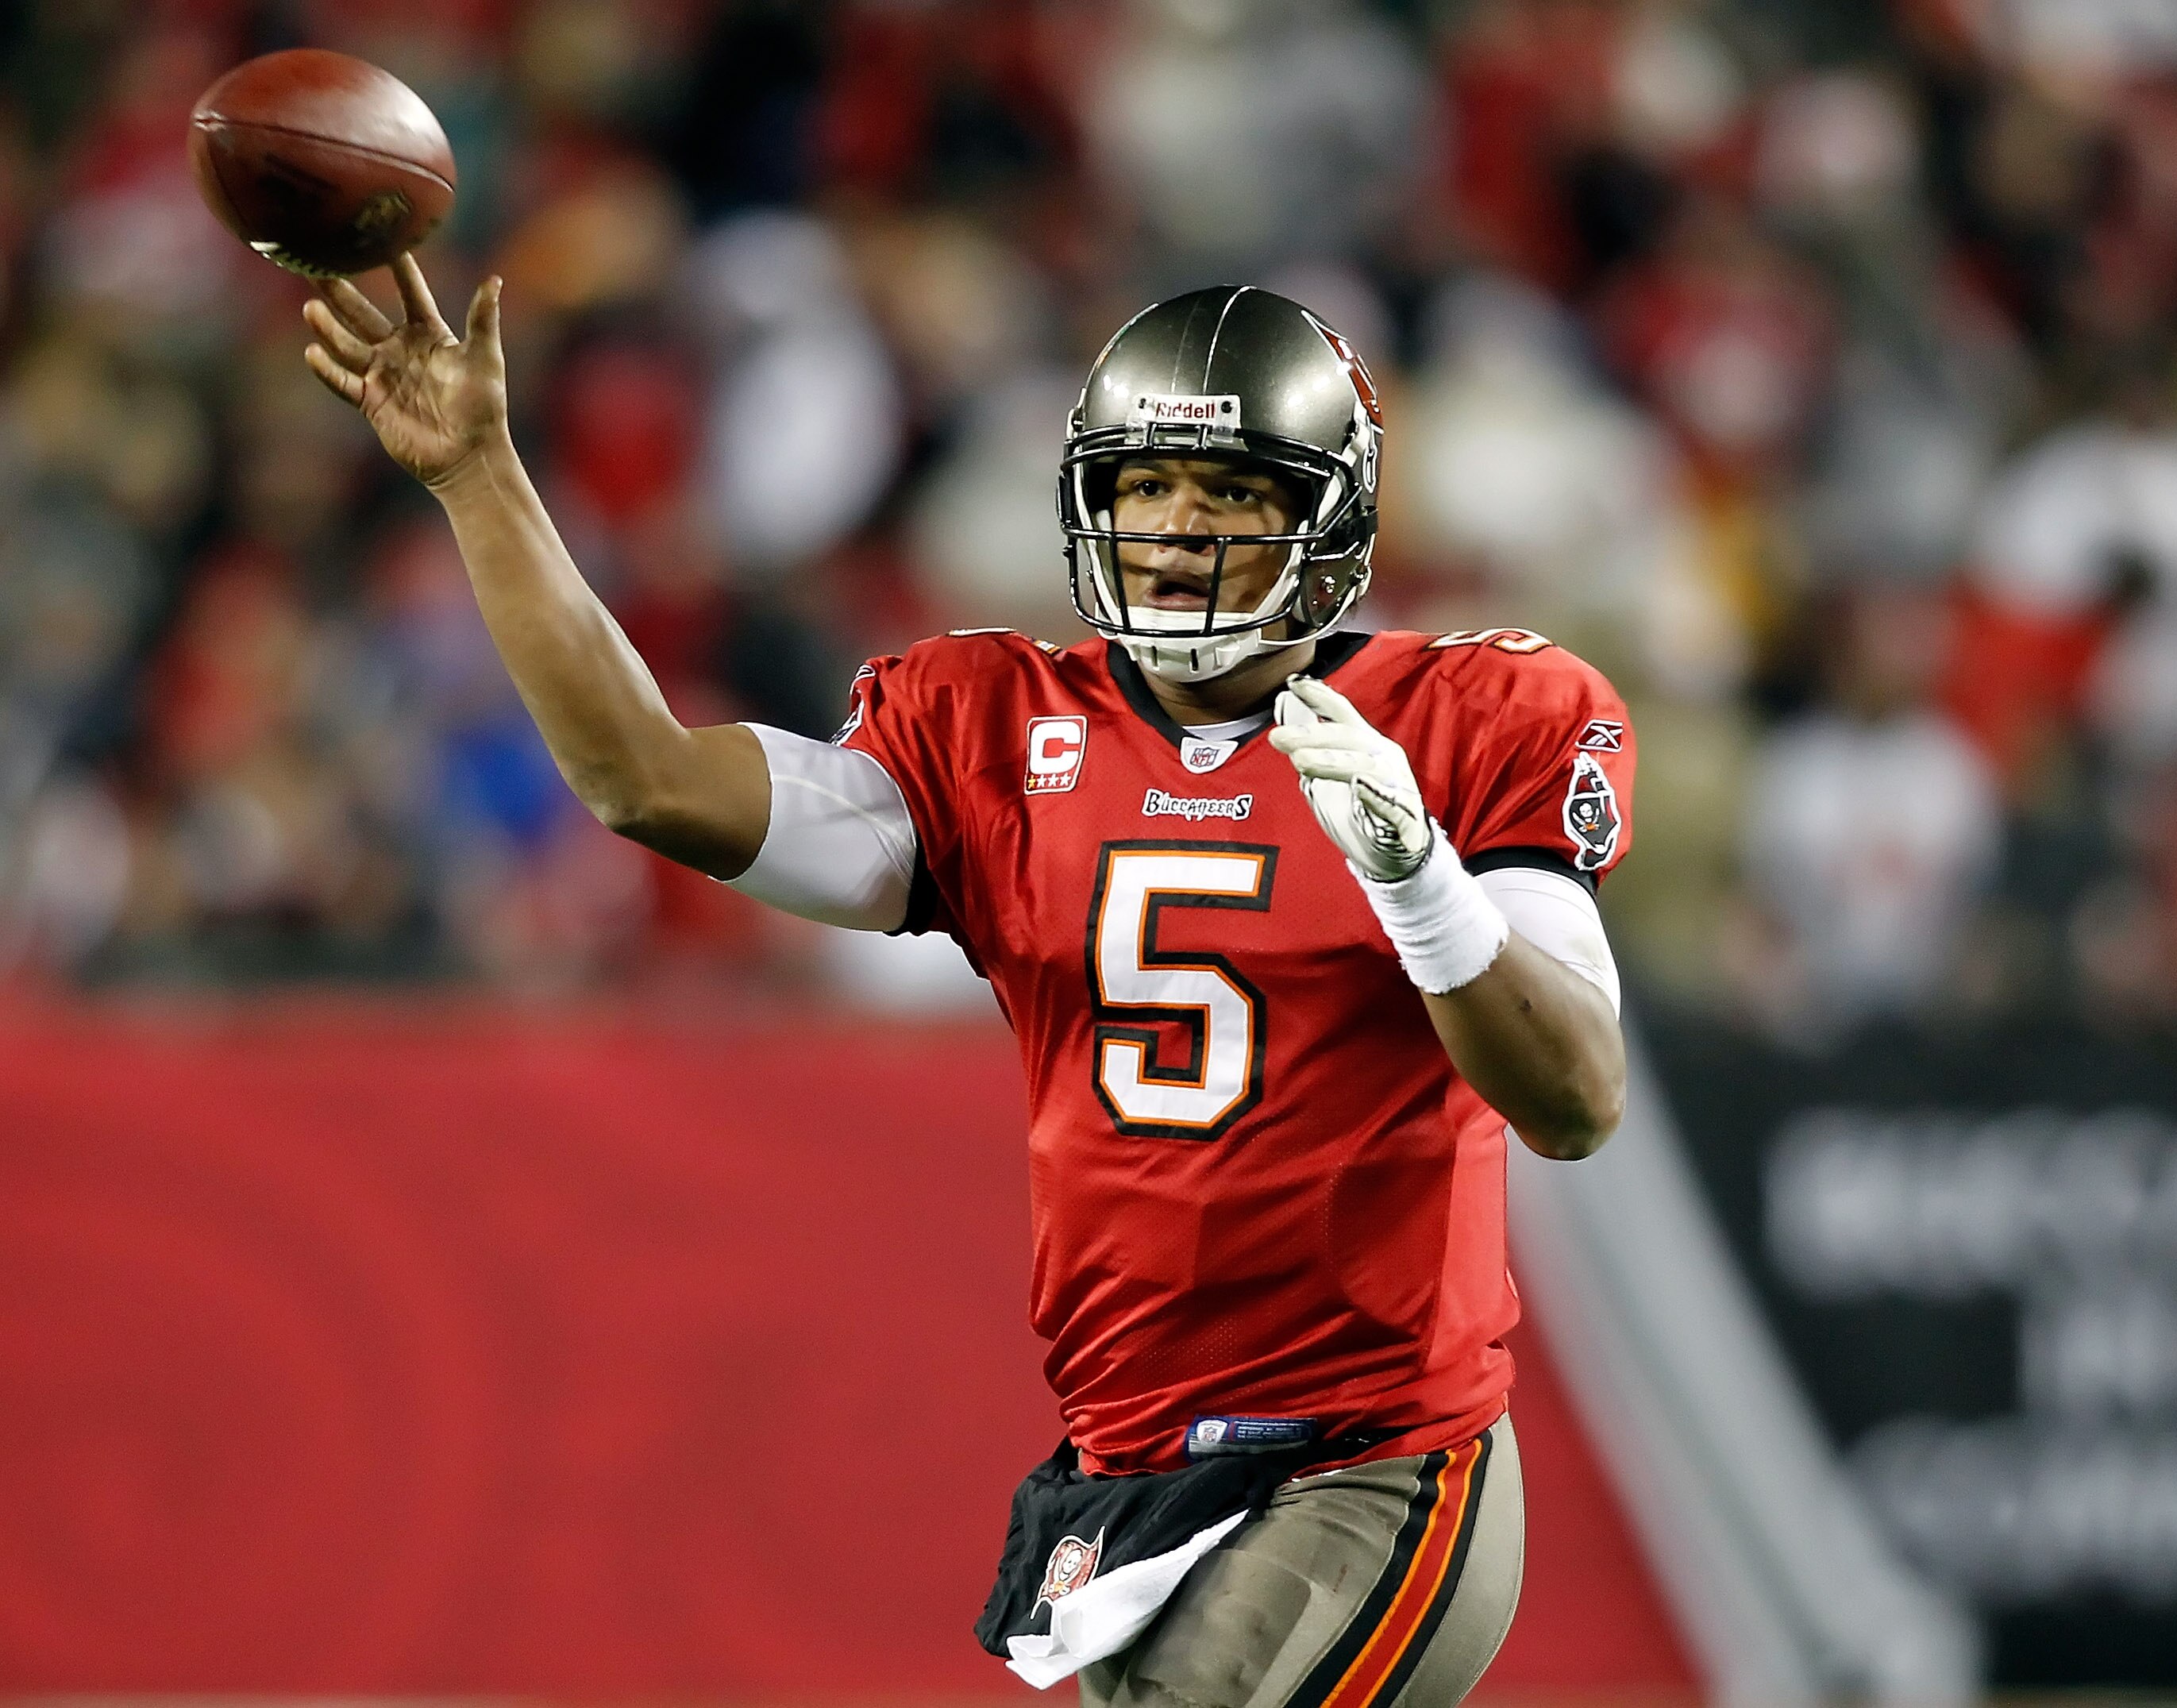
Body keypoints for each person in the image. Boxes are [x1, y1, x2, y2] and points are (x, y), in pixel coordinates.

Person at [302, 262, 1634, 1706]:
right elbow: (646, 781)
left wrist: (1416, 876)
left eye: (1233, 492)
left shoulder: (1474, 718)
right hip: (1127, 1458)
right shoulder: (997, 729)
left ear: (1328, 517)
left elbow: (1572, 1097)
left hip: (1375, 1449)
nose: (1178, 532)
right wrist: (484, 478)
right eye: (1146, 487)